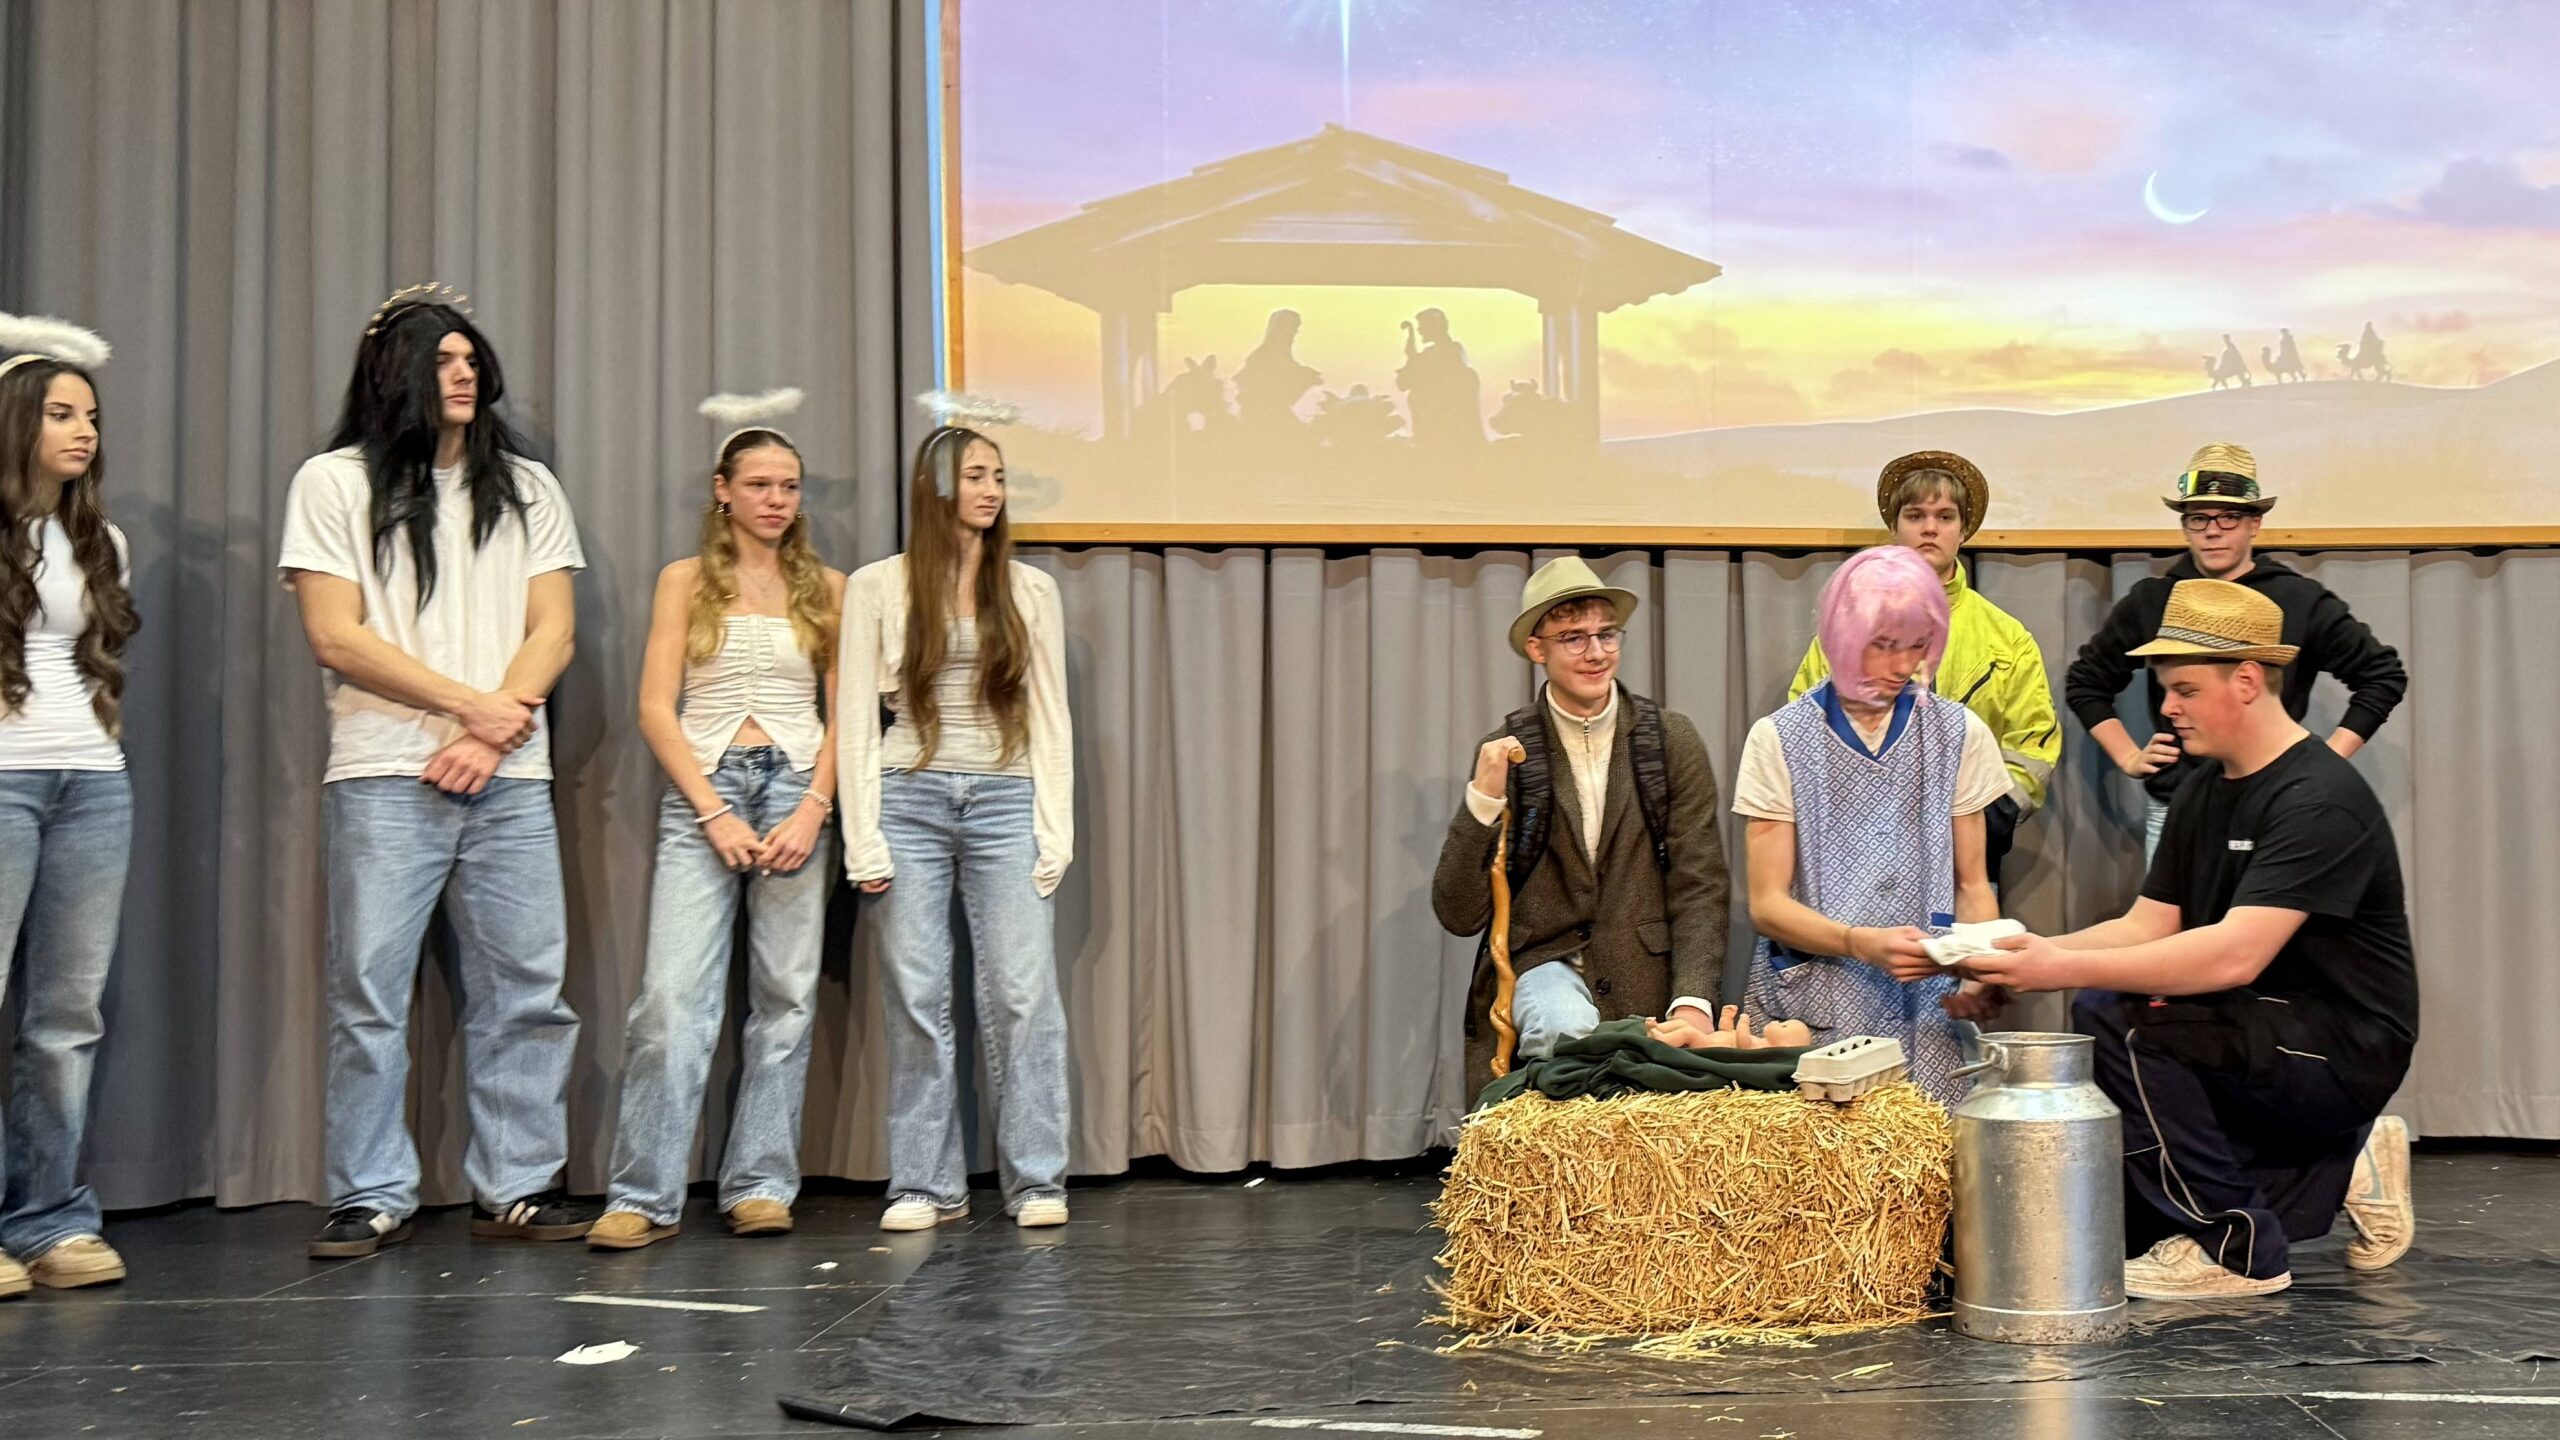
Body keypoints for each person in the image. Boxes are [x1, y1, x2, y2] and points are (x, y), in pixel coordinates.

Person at [1967, 579, 2417, 1299]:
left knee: (2125, 1024)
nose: (2167, 708)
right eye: (2165, 690)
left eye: (2184, 689)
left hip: (2343, 1047)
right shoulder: (2205, 788)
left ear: (2247, 681)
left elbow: (2236, 954)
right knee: (2130, 1202)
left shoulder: (2318, 798)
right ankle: (2345, 1162)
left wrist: (2059, 968)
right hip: (2260, 1022)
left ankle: (2239, 1251)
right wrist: (2023, 955)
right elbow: (2147, 924)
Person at [280, 286, 594, 1258]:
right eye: (443, 361)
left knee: (527, 989)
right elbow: (335, 636)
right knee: (370, 992)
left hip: (509, 778)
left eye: (470, 360)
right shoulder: (333, 483)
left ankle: (519, 1184)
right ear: (395, 374)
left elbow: (554, 629)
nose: (463, 375)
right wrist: (470, 707)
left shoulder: (528, 487)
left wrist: (492, 731)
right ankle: (371, 1191)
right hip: (384, 772)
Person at [589, 396, 845, 1251]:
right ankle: (642, 1194)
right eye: (760, 484)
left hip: (797, 792)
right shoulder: (685, 581)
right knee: (670, 999)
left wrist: (814, 808)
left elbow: (846, 715)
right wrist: (712, 810)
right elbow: (654, 708)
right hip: (706, 792)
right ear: (723, 489)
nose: (776, 500)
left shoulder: (829, 589)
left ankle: (761, 1184)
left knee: (785, 998)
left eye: (789, 487)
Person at [839, 426, 1074, 1231]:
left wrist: (1055, 832)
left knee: (1023, 992)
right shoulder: (877, 586)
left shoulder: (1030, 590)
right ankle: (924, 1184)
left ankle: (1036, 1180)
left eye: (998, 477)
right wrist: (862, 838)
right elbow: (856, 718)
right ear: (935, 488)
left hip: (1006, 798)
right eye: (976, 476)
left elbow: (1051, 717)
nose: (991, 491)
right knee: (916, 992)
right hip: (908, 796)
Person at [1724, 546, 2007, 1105]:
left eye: (1916, 646)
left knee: (1926, 1149)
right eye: (1883, 645)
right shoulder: (1779, 739)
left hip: (1926, 1007)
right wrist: (1859, 942)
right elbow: (1767, 904)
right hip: (1815, 1000)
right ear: (1840, 636)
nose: (1901, 666)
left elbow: (1972, 884)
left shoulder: (1958, 733)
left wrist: (1981, 969)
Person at [1431, 556, 1730, 1086]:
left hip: (1645, 973)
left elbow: (1700, 884)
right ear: (1536, 648)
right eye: (1573, 638)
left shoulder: (1670, 740)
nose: (1596, 653)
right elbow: (1458, 913)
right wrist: (1482, 801)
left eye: (1606, 634)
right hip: (1542, 962)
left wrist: (1692, 1002)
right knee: (1566, 1033)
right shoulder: (1508, 749)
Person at [2065, 442, 2405, 864]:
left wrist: (2325, 761)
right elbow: (2086, 681)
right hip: (2179, 808)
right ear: (2185, 527)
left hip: (2273, 804)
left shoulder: (2297, 598)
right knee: (2167, 910)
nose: (2213, 531)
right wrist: (2129, 756)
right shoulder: (2154, 600)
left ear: (2254, 523)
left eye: (2228, 516)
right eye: (2198, 518)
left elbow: (2382, 674)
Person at [0, 317, 137, 1295]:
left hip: (91, 784)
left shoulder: (100, 540)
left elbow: (96, 665)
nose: (83, 430)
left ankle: (48, 1220)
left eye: (89, 415)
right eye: (60, 413)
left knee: (65, 1014)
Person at [1788, 452, 2057, 887]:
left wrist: (1985, 818)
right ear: (1895, 527)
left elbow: (2032, 745)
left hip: (1967, 862)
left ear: (1963, 530)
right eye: (1915, 515)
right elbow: (1804, 725)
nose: (1930, 528)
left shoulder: (2008, 638)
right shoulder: (1845, 628)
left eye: (1945, 516)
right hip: (1858, 857)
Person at [1396, 308, 1485, 449]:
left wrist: (1412, 357)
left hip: (1441, 433)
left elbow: (1406, 382)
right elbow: (1404, 382)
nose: (1419, 330)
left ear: (1435, 326)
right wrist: (1411, 356)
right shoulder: (1438, 353)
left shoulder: (1448, 352)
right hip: (1432, 431)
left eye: (1422, 326)